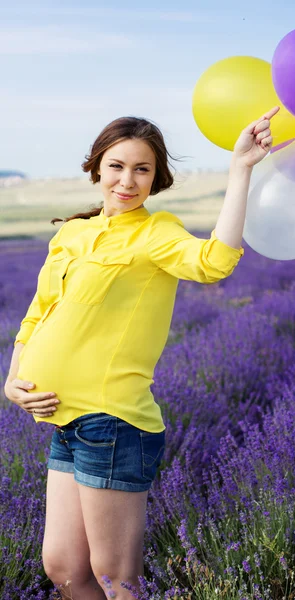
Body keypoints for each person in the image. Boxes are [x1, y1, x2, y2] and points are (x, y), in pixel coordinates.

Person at [4, 106, 279, 600]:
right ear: (96, 168)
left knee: (117, 580)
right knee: (64, 568)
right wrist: (13, 378)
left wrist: (240, 169)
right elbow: (38, 312)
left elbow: (214, 262)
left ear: (156, 178)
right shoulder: (73, 233)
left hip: (111, 423)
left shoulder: (156, 234)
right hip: (61, 419)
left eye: (142, 169)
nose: (127, 180)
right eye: (116, 165)